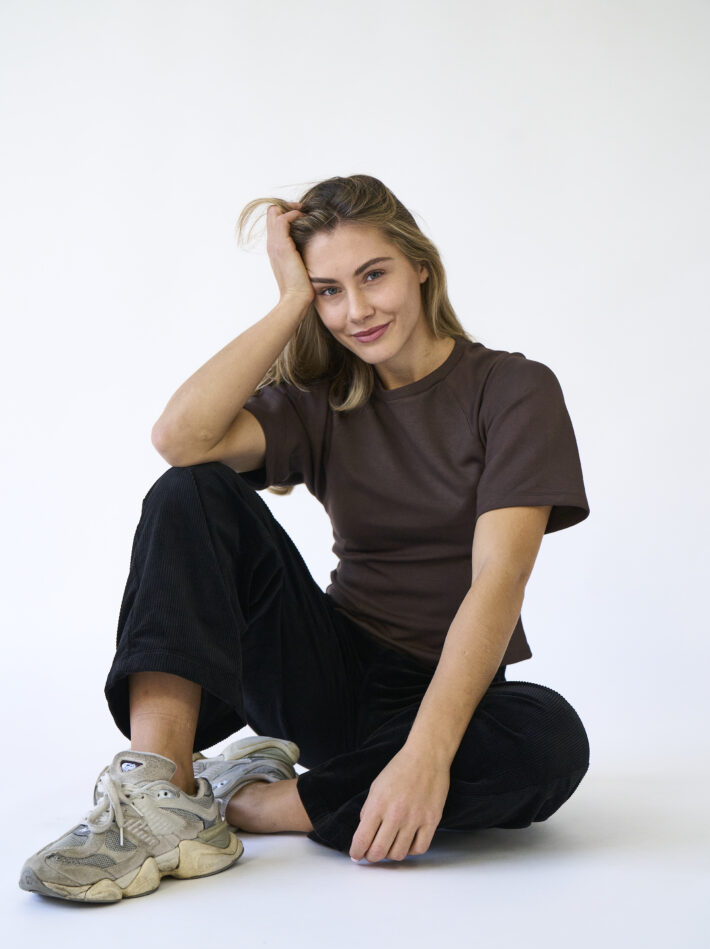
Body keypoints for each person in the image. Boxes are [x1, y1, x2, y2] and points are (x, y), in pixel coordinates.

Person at [19, 174, 591, 904]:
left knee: (548, 740)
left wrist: (426, 753)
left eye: (373, 275)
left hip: (450, 687)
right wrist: (290, 301)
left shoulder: (512, 390)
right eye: (329, 290)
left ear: (420, 264)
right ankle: (161, 798)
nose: (356, 310)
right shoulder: (325, 399)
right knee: (191, 489)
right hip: (324, 672)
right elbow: (179, 440)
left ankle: (257, 802)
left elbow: (499, 579)